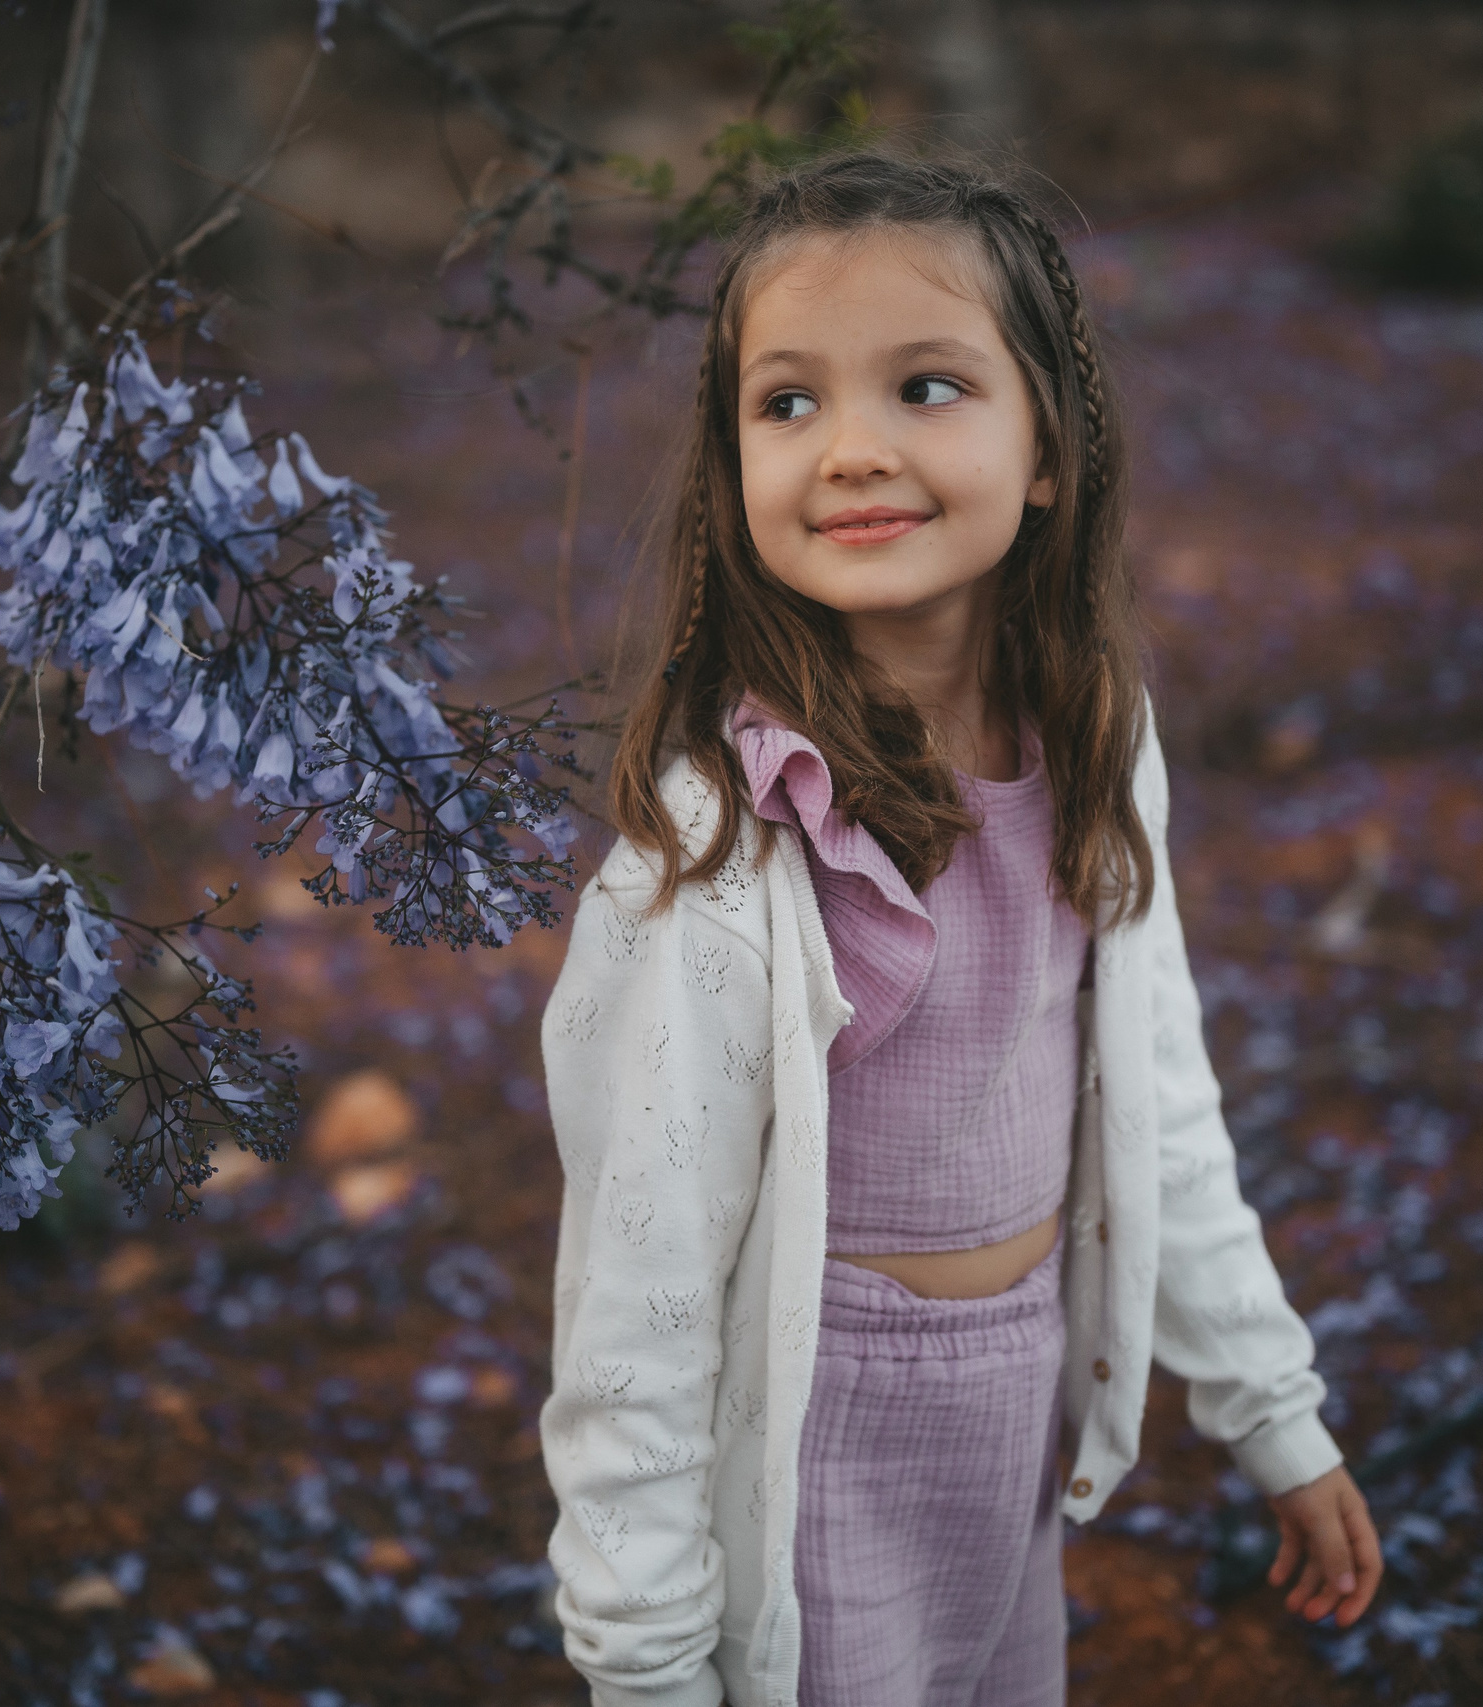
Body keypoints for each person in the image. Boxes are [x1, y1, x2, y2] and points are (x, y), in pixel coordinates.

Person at [536, 151, 1382, 1707]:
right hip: (810, 1439)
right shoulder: (726, 847)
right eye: (787, 404)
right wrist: (647, 1668)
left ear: (1049, 444)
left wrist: (1277, 1413)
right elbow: (635, 1305)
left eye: (926, 386)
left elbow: (1158, 1113)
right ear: (731, 476)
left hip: (1011, 1412)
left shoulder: (1095, 746)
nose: (850, 449)